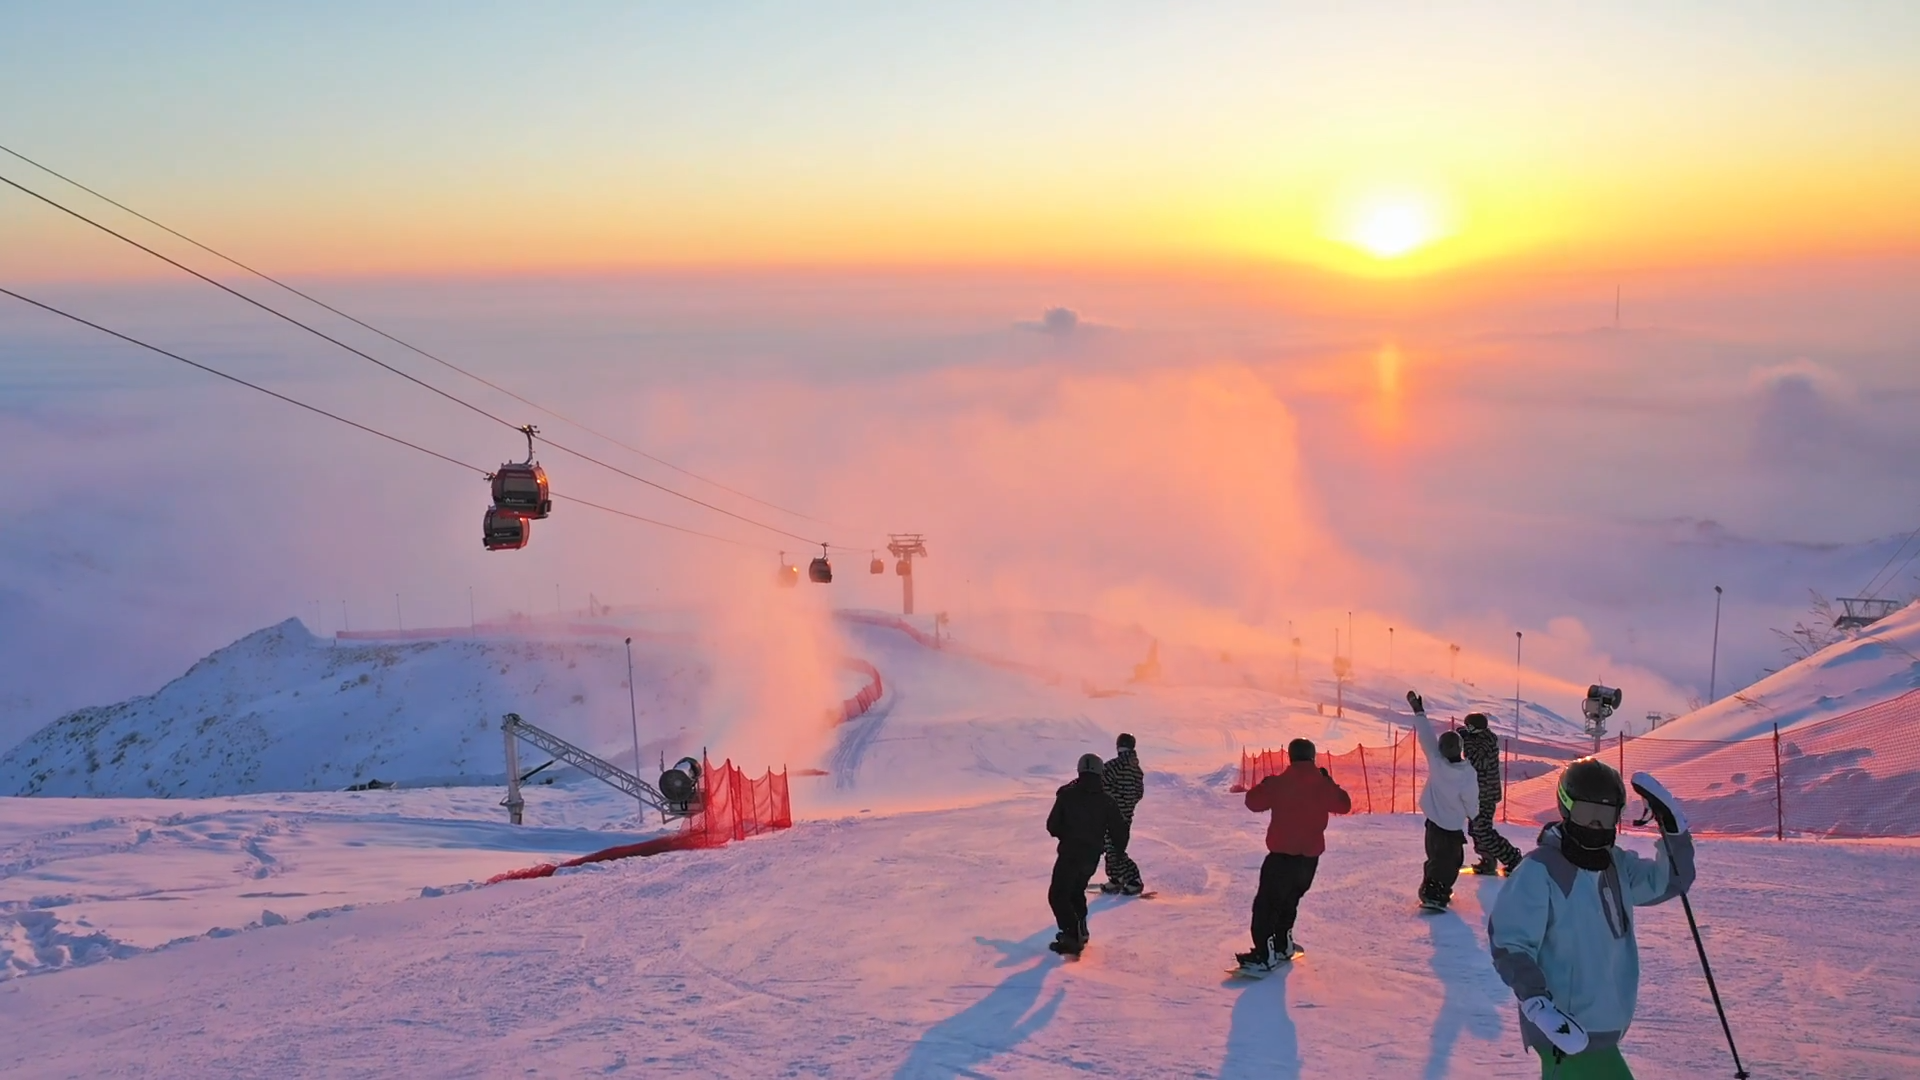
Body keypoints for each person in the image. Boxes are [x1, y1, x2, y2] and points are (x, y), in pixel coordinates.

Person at [1487, 762, 1695, 1078]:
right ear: (1566, 809)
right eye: (1587, 814)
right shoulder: (1540, 870)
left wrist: (1674, 832)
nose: (1596, 825)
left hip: (1601, 1029)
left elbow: (1671, 881)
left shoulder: (1615, 865)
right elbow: (1510, 943)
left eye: (1606, 815)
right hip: (1564, 1030)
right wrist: (1538, 1005)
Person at [1237, 737, 1352, 970]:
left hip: (1281, 858)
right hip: (1309, 860)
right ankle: (1283, 944)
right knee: (1290, 901)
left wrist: (1265, 784)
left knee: (1267, 905)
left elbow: (1252, 802)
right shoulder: (1321, 784)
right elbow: (1344, 805)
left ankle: (1264, 954)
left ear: (1290, 757)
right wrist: (1329, 782)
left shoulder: (1280, 783)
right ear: (1312, 757)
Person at [1045, 752, 1129, 956]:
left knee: (1058, 895)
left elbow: (1052, 825)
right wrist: (1117, 852)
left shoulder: (1067, 795)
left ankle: (1072, 936)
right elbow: (1120, 831)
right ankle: (1080, 931)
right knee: (1076, 891)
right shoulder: (1107, 801)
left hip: (1070, 854)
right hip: (1091, 857)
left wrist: (1066, 834)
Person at [1406, 690, 1480, 910]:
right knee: (1451, 862)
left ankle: (1432, 890)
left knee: (1436, 858)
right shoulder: (1467, 773)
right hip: (1452, 827)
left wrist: (1419, 712)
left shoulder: (1436, 761)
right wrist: (1474, 815)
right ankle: (1436, 893)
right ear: (1460, 749)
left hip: (1433, 825)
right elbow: (1470, 799)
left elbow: (1426, 736)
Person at [1461, 712, 1523, 875]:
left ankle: (1513, 859)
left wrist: (1466, 741)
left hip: (1485, 795)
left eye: (1469, 727)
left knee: (1483, 830)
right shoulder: (1478, 739)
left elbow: (1477, 762)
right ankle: (1488, 860)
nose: (1467, 730)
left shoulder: (1486, 742)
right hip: (1477, 794)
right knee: (1476, 830)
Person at [1098, 733, 1146, 895]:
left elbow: (1100, 786)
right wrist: (1128, 805)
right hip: (1126, 816)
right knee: (1115, 846)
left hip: (1111, 815)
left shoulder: (1112, 766)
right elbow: (1139, 793)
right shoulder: (1137, 770)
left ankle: (1134, 879)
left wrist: (1112, 801)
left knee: (1113, 848)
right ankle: (1117, 878)